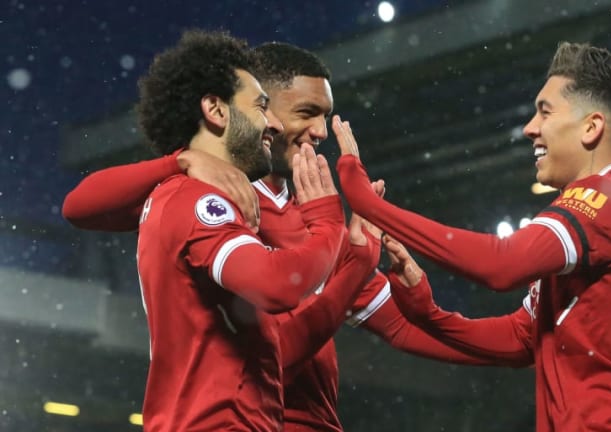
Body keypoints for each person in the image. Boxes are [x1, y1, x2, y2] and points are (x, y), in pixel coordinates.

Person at [62, 42, 508, 432]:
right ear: (263, 108)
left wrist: (518, 343)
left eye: (325, 116)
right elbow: (79, 205)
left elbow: (401, 327)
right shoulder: (208, 197)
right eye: (306, 113)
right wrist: (181, 160)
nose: (320, 132)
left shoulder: (312, 219)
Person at [329, 41, 611, 431]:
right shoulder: (601, 210)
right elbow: (519, 339)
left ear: (591, 127)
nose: (530, 127)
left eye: (545, 111)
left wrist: (367, 202)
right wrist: (425, 313)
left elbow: (502, 265)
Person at [125, 30, 356, 432]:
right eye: (261, 106)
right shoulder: (196, 200)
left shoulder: (190, 194)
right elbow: (276, 286)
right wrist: (331, 225)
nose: (271, 123)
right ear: (217, 111)